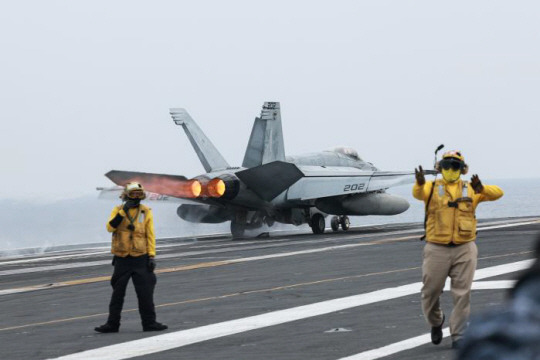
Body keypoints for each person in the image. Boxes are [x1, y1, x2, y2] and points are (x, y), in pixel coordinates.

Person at [413, 150, 503, 348]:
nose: (450, 169)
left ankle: (459, 335)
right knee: (430, 292)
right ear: (440, 168)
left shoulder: (471, 189)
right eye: (446, 166)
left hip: (465, 248)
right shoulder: (431, 187)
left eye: (455, 166)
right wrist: (419, 183)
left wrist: (483, 188)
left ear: (462, 169)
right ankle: (437, 322)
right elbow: (418, 193)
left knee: (462, 294)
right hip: (436, 247)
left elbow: (499, 193)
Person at [95, 182, 168, 333]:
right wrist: (123, 212)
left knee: (145, 294)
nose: (135, 197)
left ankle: (149, 323)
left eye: (138, 194)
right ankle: (112, 324)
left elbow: (150, 235)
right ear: (126, 195)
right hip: (122, 259)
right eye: (133, 194)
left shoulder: (145, 211)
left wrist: (152, 256)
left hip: (141, 258)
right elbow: (110, 227)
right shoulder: (118, 210)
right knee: (117, 295)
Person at [456, 235, 540, 359]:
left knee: (460, 292)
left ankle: (456, 335)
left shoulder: (487, 331)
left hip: (463, 243)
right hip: (438, 243)